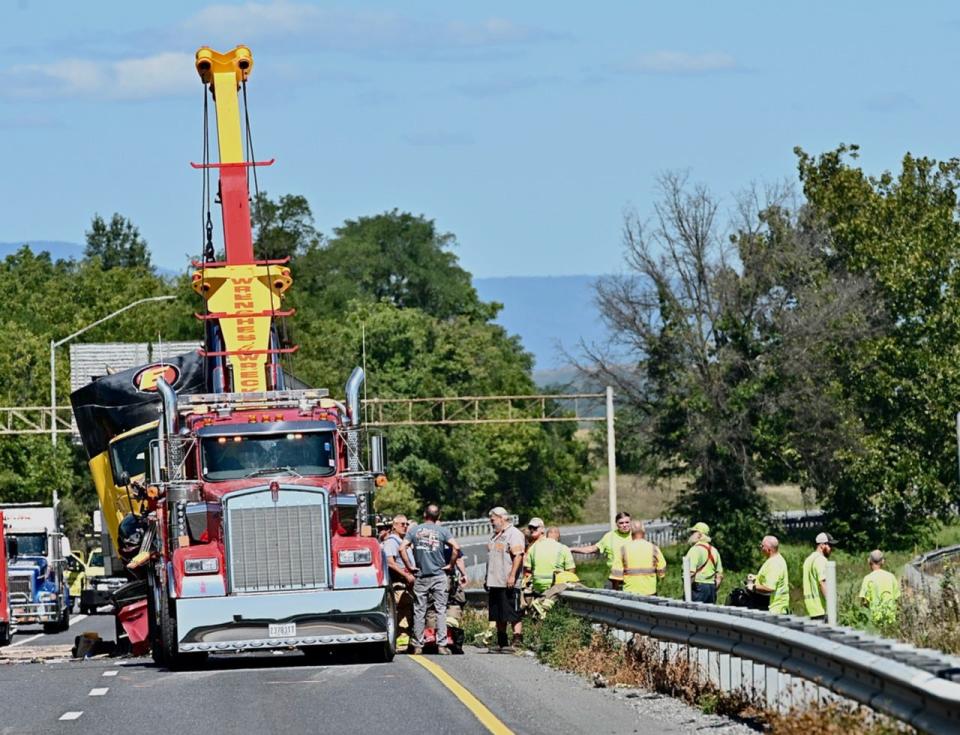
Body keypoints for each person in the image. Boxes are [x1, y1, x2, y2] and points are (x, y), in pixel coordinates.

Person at [399, 504, 460, 655]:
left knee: (419, 611)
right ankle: (441, 645)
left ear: (424, 515)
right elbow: (456, 548)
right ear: (438, 516)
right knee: (440, 610)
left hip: (421, 575)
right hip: (439, 575)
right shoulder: (442, 531)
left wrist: (409, 566)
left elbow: (401, 548)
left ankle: (418, 646)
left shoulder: (414, 530)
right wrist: (450, 565)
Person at [485, 506, 526, 652]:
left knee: (512, 611)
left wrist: (512, 576)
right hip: (495, 581)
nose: (491, 522)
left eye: (493, 520)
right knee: (498, 613)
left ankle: (517, 640)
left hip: (508, 581)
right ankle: (502, 642)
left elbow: (518, 556)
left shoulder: (513, 534)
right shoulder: (495, 535)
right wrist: (486, 578)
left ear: (502, 518)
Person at [570, 511, 632, 589]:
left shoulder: (635, 535)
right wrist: (572, 549)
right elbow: (592, 549)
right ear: (616, 524)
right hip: (615, 580)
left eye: (627, 522)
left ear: (630, 522)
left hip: (633, 578)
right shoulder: (610, 536)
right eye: (621, 523)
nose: (625, 525)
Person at [381, 514, 414, 650]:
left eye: (407, 524)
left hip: (406, 584)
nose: (405, 526)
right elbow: (391, 563)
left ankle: (405, 640)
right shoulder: (391, 542)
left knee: (407, 613)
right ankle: (401, 643)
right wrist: (406, 575)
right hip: (398, 584)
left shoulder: (402, 542)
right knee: (402, 614)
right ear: (394, 526)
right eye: (402, 524)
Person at [524, 526, 576, 595]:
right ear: (558, 536)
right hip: (556, 585)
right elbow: (571, 570)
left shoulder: (534, 547)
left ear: (547, 535)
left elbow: (527, 567)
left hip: (538, 585)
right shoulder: (563, 548)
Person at [619, 520, 666, 595]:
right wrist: (660, 576)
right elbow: (662, 570)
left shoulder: (623, 549)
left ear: (631, 532)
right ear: (644, 532)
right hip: (649, 591)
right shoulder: (654, 548)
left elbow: (616, 573)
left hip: (630, 592)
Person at [683, 522, 723, 603]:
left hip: (698, 587)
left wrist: (686, 593)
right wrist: (714, 589)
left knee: (693, 614)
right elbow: (719, 576)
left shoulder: (694, 550)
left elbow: (691, 574)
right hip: (711, 587)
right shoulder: (714, 550)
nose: (691, 535)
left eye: (693, 532)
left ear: (699, 535)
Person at [749, 535, 790, 614]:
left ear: (768, 549)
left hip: (775, 609)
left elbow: (770, 588)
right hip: (774, 607)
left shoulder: (775, 564)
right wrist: (756, 578)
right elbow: (769, 577)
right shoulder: (775, 559)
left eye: (762, 546)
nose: (761, 548)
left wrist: (753, 587)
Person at [859, 549, 900, 627]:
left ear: (869, 561)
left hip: (874, 620)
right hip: (890, 619)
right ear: (883, 561)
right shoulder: (891, 577)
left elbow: (864, 602)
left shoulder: (867, 578)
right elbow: (897, 600)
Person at [802, 531, 837, 621]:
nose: (831, 549)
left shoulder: (808, 559)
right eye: (829, 545)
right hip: (820, 609)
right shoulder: (821, 560)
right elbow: (823, 583)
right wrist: (831, 605)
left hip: (810, 607)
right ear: (822, 545)